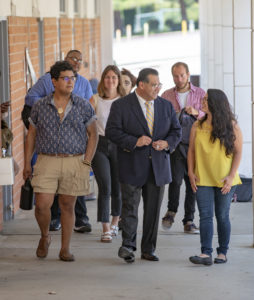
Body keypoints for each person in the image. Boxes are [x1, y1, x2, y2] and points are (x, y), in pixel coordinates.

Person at [23, 61, 98, 261]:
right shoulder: (40, 105)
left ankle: (65, 249)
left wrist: (87, 162)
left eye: (72, 78)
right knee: (41, 205)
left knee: (67, 205)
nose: (70, 82)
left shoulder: (83, 105)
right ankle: (45, 236)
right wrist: (26, 163)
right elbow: (31, 135)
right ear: (54, 81)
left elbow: (93, 134)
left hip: (74, 160)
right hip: (46, 160)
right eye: (65, 78)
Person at [105, 68, 182, 263]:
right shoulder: (122, 105)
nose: (158, 88)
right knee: (130, 208)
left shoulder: (166, 106)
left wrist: (167, 144)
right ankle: (128, 246)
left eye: (159, 85)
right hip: (132, 164)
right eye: (154, 84)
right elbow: (112, 131)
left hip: (158, 166)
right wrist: (134, 141)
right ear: (141, 85)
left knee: (153, 211)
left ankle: (148, 249)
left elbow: (176, 131)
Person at [188, 89, 242, 265]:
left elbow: (238, 152)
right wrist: (190, 172)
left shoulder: (231, 125)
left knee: (222, 215)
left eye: (206, 99)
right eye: (203, 99)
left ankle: (222, 252)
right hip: (202, 177)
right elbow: (191, 151)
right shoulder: (197, 125)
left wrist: (231, 175)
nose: (202, 102)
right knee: (205, 215)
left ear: (216, 104)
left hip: (225, 179)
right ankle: (206, 253)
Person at [161, 62, 205, 234]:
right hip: (175, 145)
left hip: (195, 145)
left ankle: (189, 220)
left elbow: (209, 115)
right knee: (175, 180)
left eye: (181, 75)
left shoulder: (201, 94)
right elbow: (161, 118)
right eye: (175, 76)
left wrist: (196, 112)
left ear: (188, 74)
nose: (178, 79)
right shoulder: (166, 95)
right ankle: (171, 211)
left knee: (192, 183)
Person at [90, 65, 125, 243]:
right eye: (107, 77)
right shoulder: (95, 99)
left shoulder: (125, 101)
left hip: (119, 145)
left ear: (118, 81)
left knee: (118, 188)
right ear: (103, 80)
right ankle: (105, 228)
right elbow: (86, 124)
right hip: (100, 145)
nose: (110, 80)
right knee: (105, 186)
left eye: (114, 77)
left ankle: (115, 222)